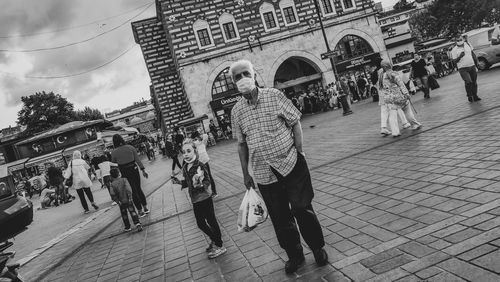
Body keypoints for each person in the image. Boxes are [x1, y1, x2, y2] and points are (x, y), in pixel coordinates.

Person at [229, 59, 328, 274]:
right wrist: (246, 174)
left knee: (302, 209)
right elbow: (241, 144)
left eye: (245, 73)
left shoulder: (274, 95)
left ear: (254, 74)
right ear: (233, 83)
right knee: (281, 218)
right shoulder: (236, 111)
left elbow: (295, 122)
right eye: (237, 77)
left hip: (291, 163)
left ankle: (317, 247)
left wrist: (299, 152)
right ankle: (295, 255)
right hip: (264, 173)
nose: (242, 79)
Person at [172, 140, 226, 259]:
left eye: (188, 151)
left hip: (205, 197)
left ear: (195, 151)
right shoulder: (186, 166)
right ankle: (215, 239)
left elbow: (207, 179)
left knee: (211, 221)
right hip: (195, 199)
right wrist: (179, 182)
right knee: (200, 223)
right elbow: (188, 182)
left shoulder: (200, 165)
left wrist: (203, 185)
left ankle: (220, 245)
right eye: (183, 152)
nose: (186, 154)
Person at [379, 60, 422, 137]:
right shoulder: (393, 74)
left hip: (389, 99)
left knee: (392, 115)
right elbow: (401, 84)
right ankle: (414, 124)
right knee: (407, 110)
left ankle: (395, 132)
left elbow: (382, 88)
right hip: (399, 96)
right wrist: (406, 94)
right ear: (389, 65)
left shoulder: (381, 76)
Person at [111, 134, 150, 217]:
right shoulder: (130, 147)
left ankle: (140, 211)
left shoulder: (114, 152)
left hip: (124, 171)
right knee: (139, 188)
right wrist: (143, 170)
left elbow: (113, 162)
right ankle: (145, 207)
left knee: (132, 191)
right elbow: (137, 159)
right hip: (134, 168)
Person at [450, 35, 482, 102]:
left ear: (463, 39)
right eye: (457, 40)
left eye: (460, 39)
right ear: (455, 41)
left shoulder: (468, 44)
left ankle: (475, 96)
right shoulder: (454, 50)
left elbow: (473, 54)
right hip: (462, 68)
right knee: (468, 81)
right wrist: (460, 57)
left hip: (472, 65)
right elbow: (454, 61)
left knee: (474, 82)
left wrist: (477, 63)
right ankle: (469, 95)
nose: (459, 41)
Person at [191, 130, 217, 198]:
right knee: (207, 177)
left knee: (204, 177)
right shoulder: (202, 141)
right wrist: (200, 135)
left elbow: (205, 136)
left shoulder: (197, 143)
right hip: (204, 161)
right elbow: (205, 135)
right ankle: (212, 192)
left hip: (202, 162)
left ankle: (212, 192)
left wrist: (198, 136)